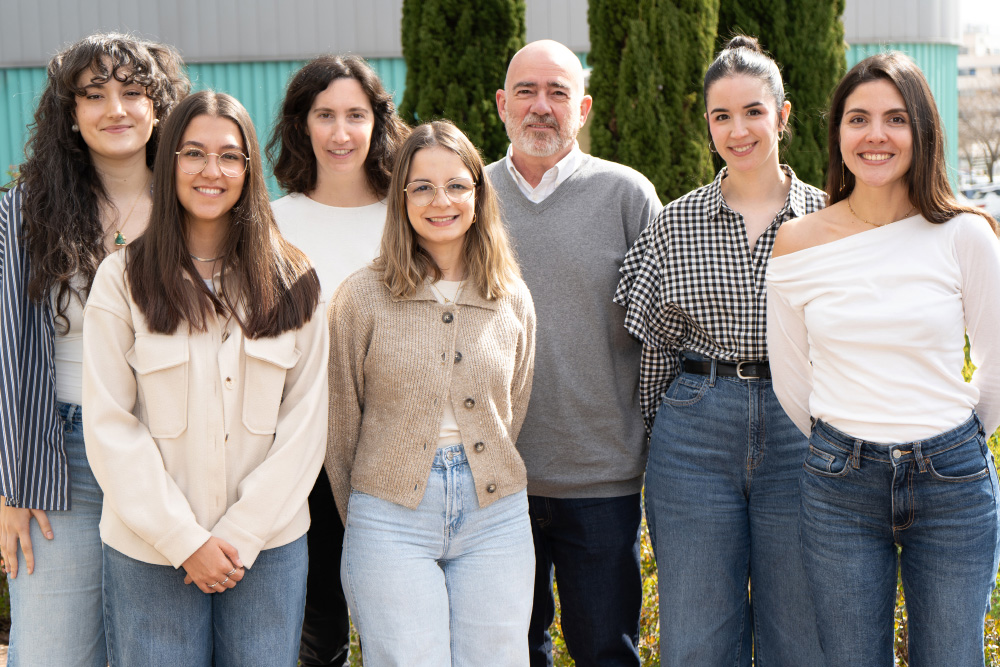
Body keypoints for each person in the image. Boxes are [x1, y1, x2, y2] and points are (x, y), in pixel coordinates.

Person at [767, 52, 1000, 667]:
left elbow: (999, 365)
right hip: (839, 484)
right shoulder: (796, 243)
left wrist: (956, 441)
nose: (876, 135)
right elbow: (793, 381)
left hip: (953, 483)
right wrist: (844, 443)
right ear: (837, 133)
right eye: (858, 118)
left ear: (922, 131)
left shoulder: (964, 234)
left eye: (895, 118)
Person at [82, 90, 327, 665]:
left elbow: (307, 423)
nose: (210, 172)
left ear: (249, 169)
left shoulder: (294, 279)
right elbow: (110, 425)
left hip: (267, 549)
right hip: (149, 549)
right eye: (193, 153)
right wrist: (185, 542)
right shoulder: (122, 280)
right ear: (168, 163)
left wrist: (239, 536)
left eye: (229, 156)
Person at [614, 36, 825, 665]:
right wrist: (661, 433)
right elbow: (653, 346)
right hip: (695, 434)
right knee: (698, 636)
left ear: (782, 116)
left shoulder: (831, 219)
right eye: (721, 116)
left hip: (805, 430)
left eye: (754, 112)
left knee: (802, 631)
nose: (739, 130)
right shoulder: (676, 222)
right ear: (707, 124)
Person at [0, 32, 188, 666]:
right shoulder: (25, 213)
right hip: (63, 459)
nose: (116, 109)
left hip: (173, 452)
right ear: (70, 114)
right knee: (52, 653)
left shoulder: (199, 205)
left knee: (160, 653)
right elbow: (5, 353)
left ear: (160, 107)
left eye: (133, 92)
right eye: (94, 95)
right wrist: (9, 486)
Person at [327, 120, 536, 666]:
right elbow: (340, 420)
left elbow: (512, 405)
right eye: (421, 187)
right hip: (390, 516)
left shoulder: (510, 294)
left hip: (496, 514)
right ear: (401, 199)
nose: (440, 201)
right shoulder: (362, 296)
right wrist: (370, 509)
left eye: (456, 186)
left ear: (478, 194)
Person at [487, 39, 661, 667]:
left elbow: (661, 333)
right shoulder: (467, 198)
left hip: (602, 480)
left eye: (557, 92)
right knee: (510, 652)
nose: (541, 107)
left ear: (582, 108)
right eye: (527, 92)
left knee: (606, 651)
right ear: (502, 105)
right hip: (496, 481)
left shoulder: (628, 196)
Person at [266, 55, 408, 666]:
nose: (340, 132)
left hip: (395, 453)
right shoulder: (271, 223)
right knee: (315, 633)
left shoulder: (410, 218)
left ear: (378, 124)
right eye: (324, 115)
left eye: (355, 115)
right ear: (302, 124)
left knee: (395, 630)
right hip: (302, 456)